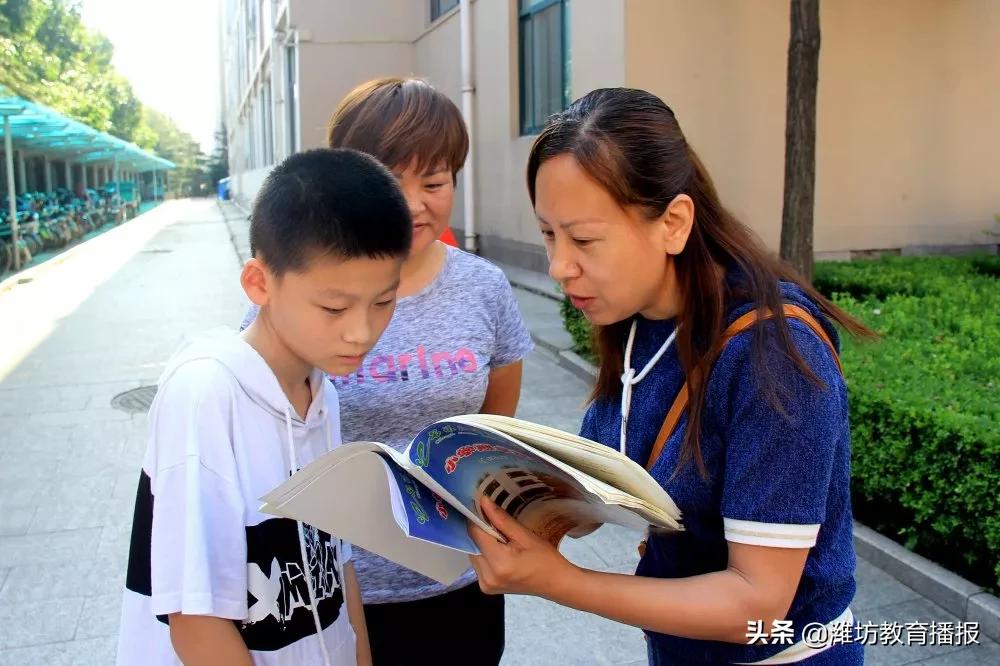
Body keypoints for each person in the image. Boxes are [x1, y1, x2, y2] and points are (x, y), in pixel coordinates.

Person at [467, 88, 872, 665]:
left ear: (675, 222)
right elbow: (618, 476)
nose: (560, 266)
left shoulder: (773, 356)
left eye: (583, 240)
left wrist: (557, 580)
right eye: (548, 235)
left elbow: (756, 607)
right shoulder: (636, 319)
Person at [242, 77, 533, 665]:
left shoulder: (482, 288)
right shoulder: (298, 293)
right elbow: (264, 436)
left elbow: (495, 427)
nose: (413, 203)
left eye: (435, 182)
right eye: (390, 180)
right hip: (335, 589)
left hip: (460, 577)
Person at [117, 148, 414, 666]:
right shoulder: (206, 395)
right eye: (334, 307)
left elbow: (337, 569)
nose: (362, 332)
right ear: (259, 283)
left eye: (383, 302)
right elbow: (196, 623)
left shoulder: (321, 391)